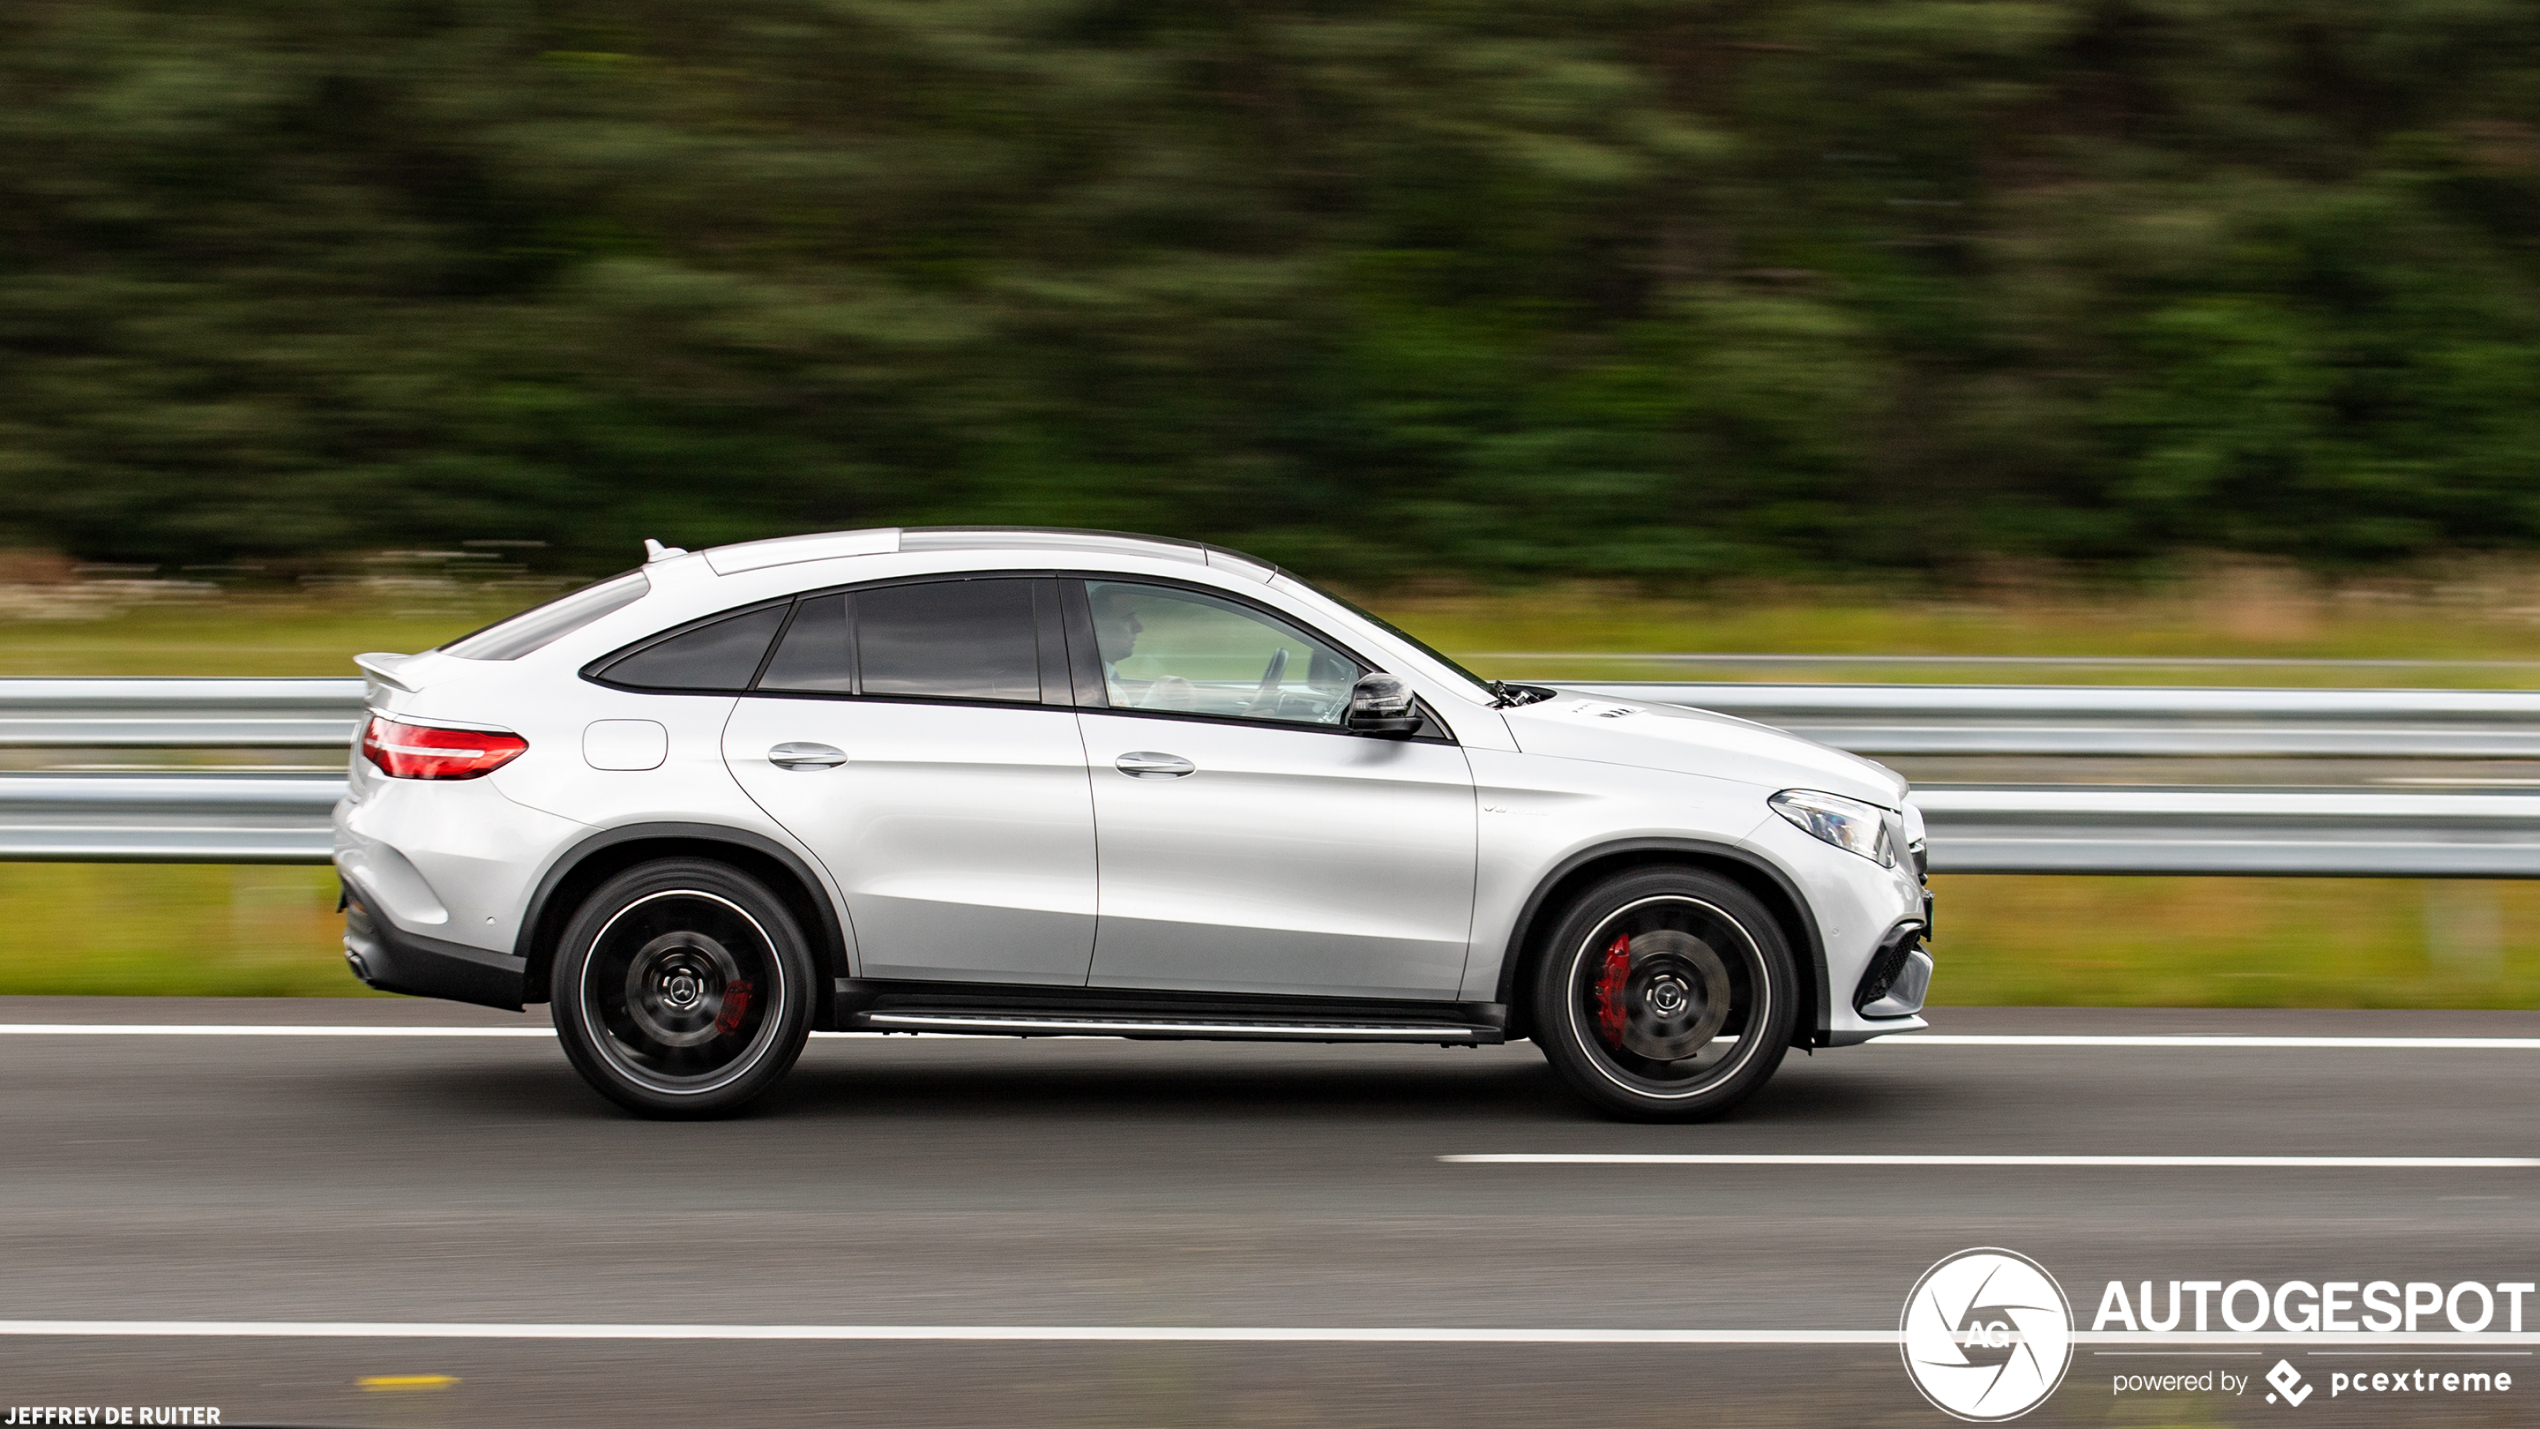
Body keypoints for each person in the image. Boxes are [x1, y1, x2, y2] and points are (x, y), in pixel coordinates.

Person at [1089, 585, 1194, 711]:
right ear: (1097, 627)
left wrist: (1157, 690)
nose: (1139, 627)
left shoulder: (1099, 678)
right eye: (1127, 619)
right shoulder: (1094, 690)